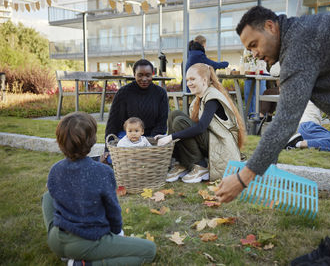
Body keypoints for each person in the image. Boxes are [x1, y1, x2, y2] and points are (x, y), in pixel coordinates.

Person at [215, 6, 330, 265]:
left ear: (271, 26)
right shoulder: (302, 34)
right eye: (249, 49)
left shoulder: (299, 47)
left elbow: (285, 122)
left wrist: (244, 177)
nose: (255, 54)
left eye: (254, 44)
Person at [42, 112, 156, 266]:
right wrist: (117, 234)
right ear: (92, 140)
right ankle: (83, 264)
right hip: (88, 241)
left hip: (56, 238)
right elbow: (113, 210)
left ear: (60, 141)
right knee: (149, 250)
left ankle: (66, 254)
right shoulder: (103, 172)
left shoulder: (55, 169)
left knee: (48, 195)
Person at [157, 63, 246, 184]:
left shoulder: (212, 98)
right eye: (187, 80)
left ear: (204, 80)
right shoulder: (198, 100)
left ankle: (200, 166)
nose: (189, 83)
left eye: (193, 79)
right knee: (174, 114)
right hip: (210, 141)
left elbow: (200, 128)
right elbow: (190, 130)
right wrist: (166, 137)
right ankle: (180, 163)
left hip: (220, 146)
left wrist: (170, 137)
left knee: (180, 122)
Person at [103, 59, 168, 163]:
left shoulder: (160, 93)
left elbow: (162, 123)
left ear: (153, 74)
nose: (144, 79)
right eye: (140, 75)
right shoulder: (123, 92)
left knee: (155, 157)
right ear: (134, 74)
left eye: (148, 75)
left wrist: (147, 143)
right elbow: (113, 122)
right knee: (113, 158)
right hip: (128, 135)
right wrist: (107, 149)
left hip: (153, 136)